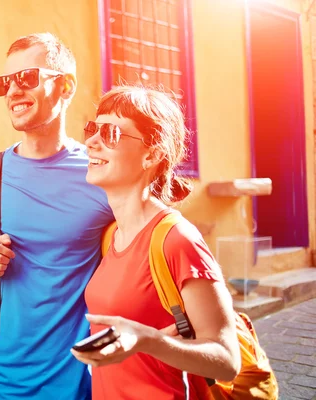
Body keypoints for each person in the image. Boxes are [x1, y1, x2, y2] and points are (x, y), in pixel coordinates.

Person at [0, 33, 114, 400]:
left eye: (28, 78)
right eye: (6, 82)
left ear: (66, 86)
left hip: (74, 386)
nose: (13, 91)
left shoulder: (99, 172)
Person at [72, 86, 241, 399]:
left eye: (110, 132)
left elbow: (227, 361)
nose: (90, 142)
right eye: (93, 129)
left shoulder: (177, 239)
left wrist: (148, 341)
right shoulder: (110, 236)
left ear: (152, 153)